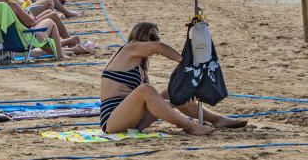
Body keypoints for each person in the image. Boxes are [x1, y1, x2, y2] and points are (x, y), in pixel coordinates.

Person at [99, 22, 247, 135]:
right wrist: (185, 62)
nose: (154, 41)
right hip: (113, 121)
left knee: (173, 90)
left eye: (156, 37)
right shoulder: (129, 49)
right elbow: (158, 47)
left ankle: (217, 120)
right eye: (151, 37)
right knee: (146, 90)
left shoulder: (140, 67)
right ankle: (189, 126)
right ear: (139, 36)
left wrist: (178, 100)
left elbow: (154, 103)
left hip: (134, 119)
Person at [0, 0, 92, 60]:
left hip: (3, 44)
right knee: (51, 22)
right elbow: (30, 23)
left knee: (49, 15)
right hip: (22, 42)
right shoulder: (12, 5)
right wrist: (28, 14)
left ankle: (72, 47)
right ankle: (62, 52)